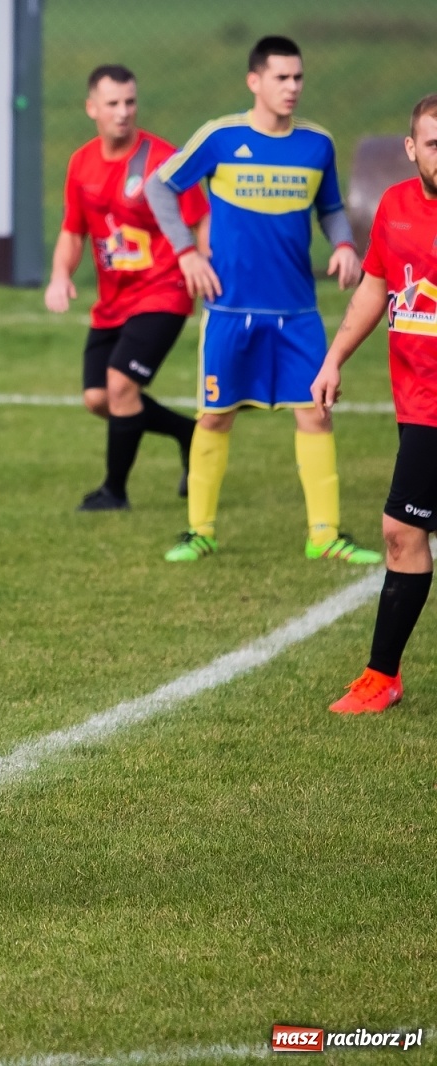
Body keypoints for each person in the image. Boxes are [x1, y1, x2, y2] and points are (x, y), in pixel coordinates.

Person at [146, 36, 379, 565]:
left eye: (298, 77)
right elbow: (161, 187)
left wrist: (343, 244)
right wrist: (186, 253)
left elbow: (332, 207)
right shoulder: (221, 137)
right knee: (216, 416)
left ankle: (324, 535)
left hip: (297, 313)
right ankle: (199, 531)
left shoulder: (317, 144)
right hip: (229, 312)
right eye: (281, 77)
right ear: (255, 81)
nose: (293, 87)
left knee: (316, 414)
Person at [311, 94, 437, 714]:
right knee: (406, 530)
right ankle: (383, 676)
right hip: (417, 401)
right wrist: (335, 359)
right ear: (411, 149)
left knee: (401, 528)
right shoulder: (394, 206)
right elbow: (376, 288)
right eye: (435, 144)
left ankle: (381, 675)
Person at [46, 64, 208, 511]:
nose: (123, 113)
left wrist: (202, 264)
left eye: (130, 102)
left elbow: (200, 216)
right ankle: (187, 433)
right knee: (99, 398)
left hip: (164, 290)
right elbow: (73, 231)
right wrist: (60, 275)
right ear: (91, 108)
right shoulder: (81, 162)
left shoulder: (163, 160)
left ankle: (114, 492)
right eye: (113, 104)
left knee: (120, 387)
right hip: (114, 301)